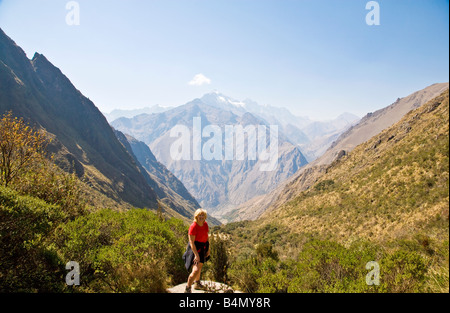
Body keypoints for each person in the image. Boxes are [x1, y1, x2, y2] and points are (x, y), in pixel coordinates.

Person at [185, 209, 210, 293]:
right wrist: (196, 255)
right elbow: (191, 243)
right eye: (199, 215)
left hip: (203, 247)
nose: (201, 217)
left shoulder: (205, 224)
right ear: (196, 216)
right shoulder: (193, 226)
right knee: (195, 270)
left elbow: (207, 236)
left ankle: (197, 283)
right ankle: (187, 288)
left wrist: (208, 249)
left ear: (205, 216)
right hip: (195, 249)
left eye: (203, 215)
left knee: (200, 266)